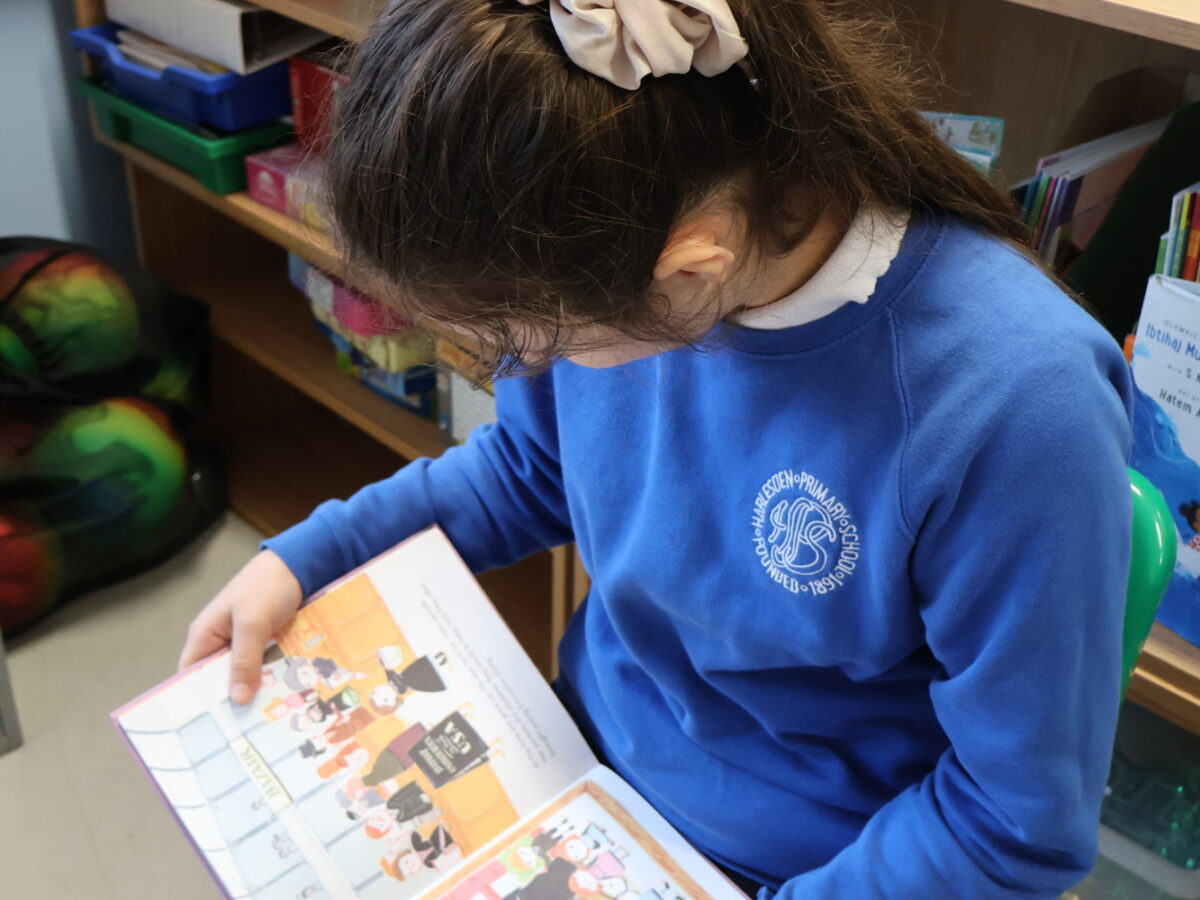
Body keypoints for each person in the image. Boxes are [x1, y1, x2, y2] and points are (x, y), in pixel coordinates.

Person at [178, 1, 1134, 896]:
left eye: (535, 347)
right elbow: (529, 471)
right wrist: (307, 559)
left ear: (688, 268)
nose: (531, 368)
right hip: (584, 764)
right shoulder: (607, 226)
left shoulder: (1016, 403)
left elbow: (1010, 821)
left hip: (808, 866)